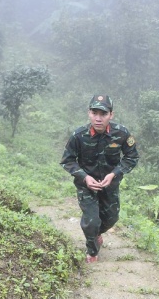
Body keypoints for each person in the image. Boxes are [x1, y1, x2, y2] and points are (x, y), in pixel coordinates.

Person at [60, 95, 139, 263]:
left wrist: (114, 174)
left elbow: (131, 157)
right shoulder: (79, 135)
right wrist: (85, 177)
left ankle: (96, 233)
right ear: (89, 113)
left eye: (103, 114)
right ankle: (92, 251)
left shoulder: (122, 133)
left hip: (110, 185)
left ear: (111, 115)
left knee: (111, 218)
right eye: (94, 113)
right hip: (86, 186)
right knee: (91, 221)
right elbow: (67, 161)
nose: (98, 118)